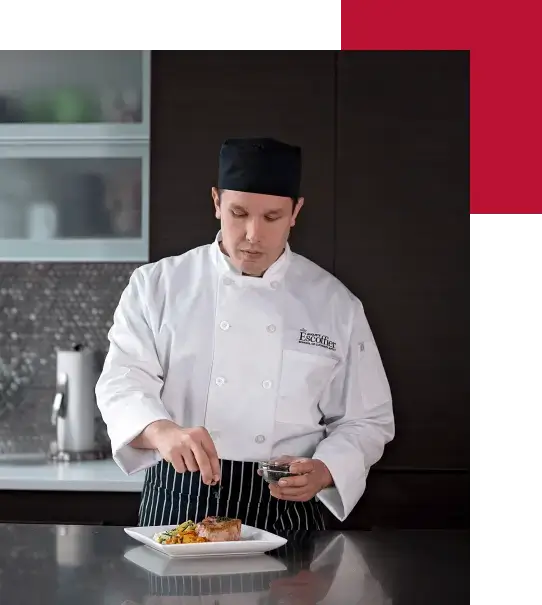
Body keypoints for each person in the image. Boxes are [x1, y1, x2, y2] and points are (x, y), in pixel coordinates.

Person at [95, 137, 395, 533]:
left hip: (284, 506)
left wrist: (324, 470)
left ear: (296, 212)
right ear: (217, 201)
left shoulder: (335, 304)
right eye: (238, 213)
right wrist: (160, 431)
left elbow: (367, 419)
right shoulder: (157, 286)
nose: (253, 234)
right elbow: (122, 382)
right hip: (180, 496)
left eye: (271, 218)